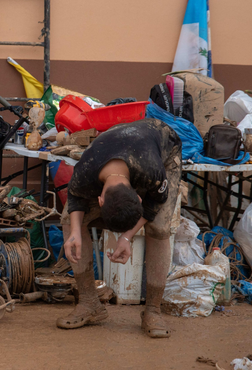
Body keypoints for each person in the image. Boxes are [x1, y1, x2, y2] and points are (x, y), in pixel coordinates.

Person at [57, 118, 181, 338]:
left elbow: (154, 204)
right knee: (69, 218)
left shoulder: (152, 172)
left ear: (138, 195)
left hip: (164, 145)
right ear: (100, 199)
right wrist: (74, 233)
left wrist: (127, 237)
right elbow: (75, 196)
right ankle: (89, 303)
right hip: (116, 144)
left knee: (159, 228)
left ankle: (153, 310)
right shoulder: (85, 169)